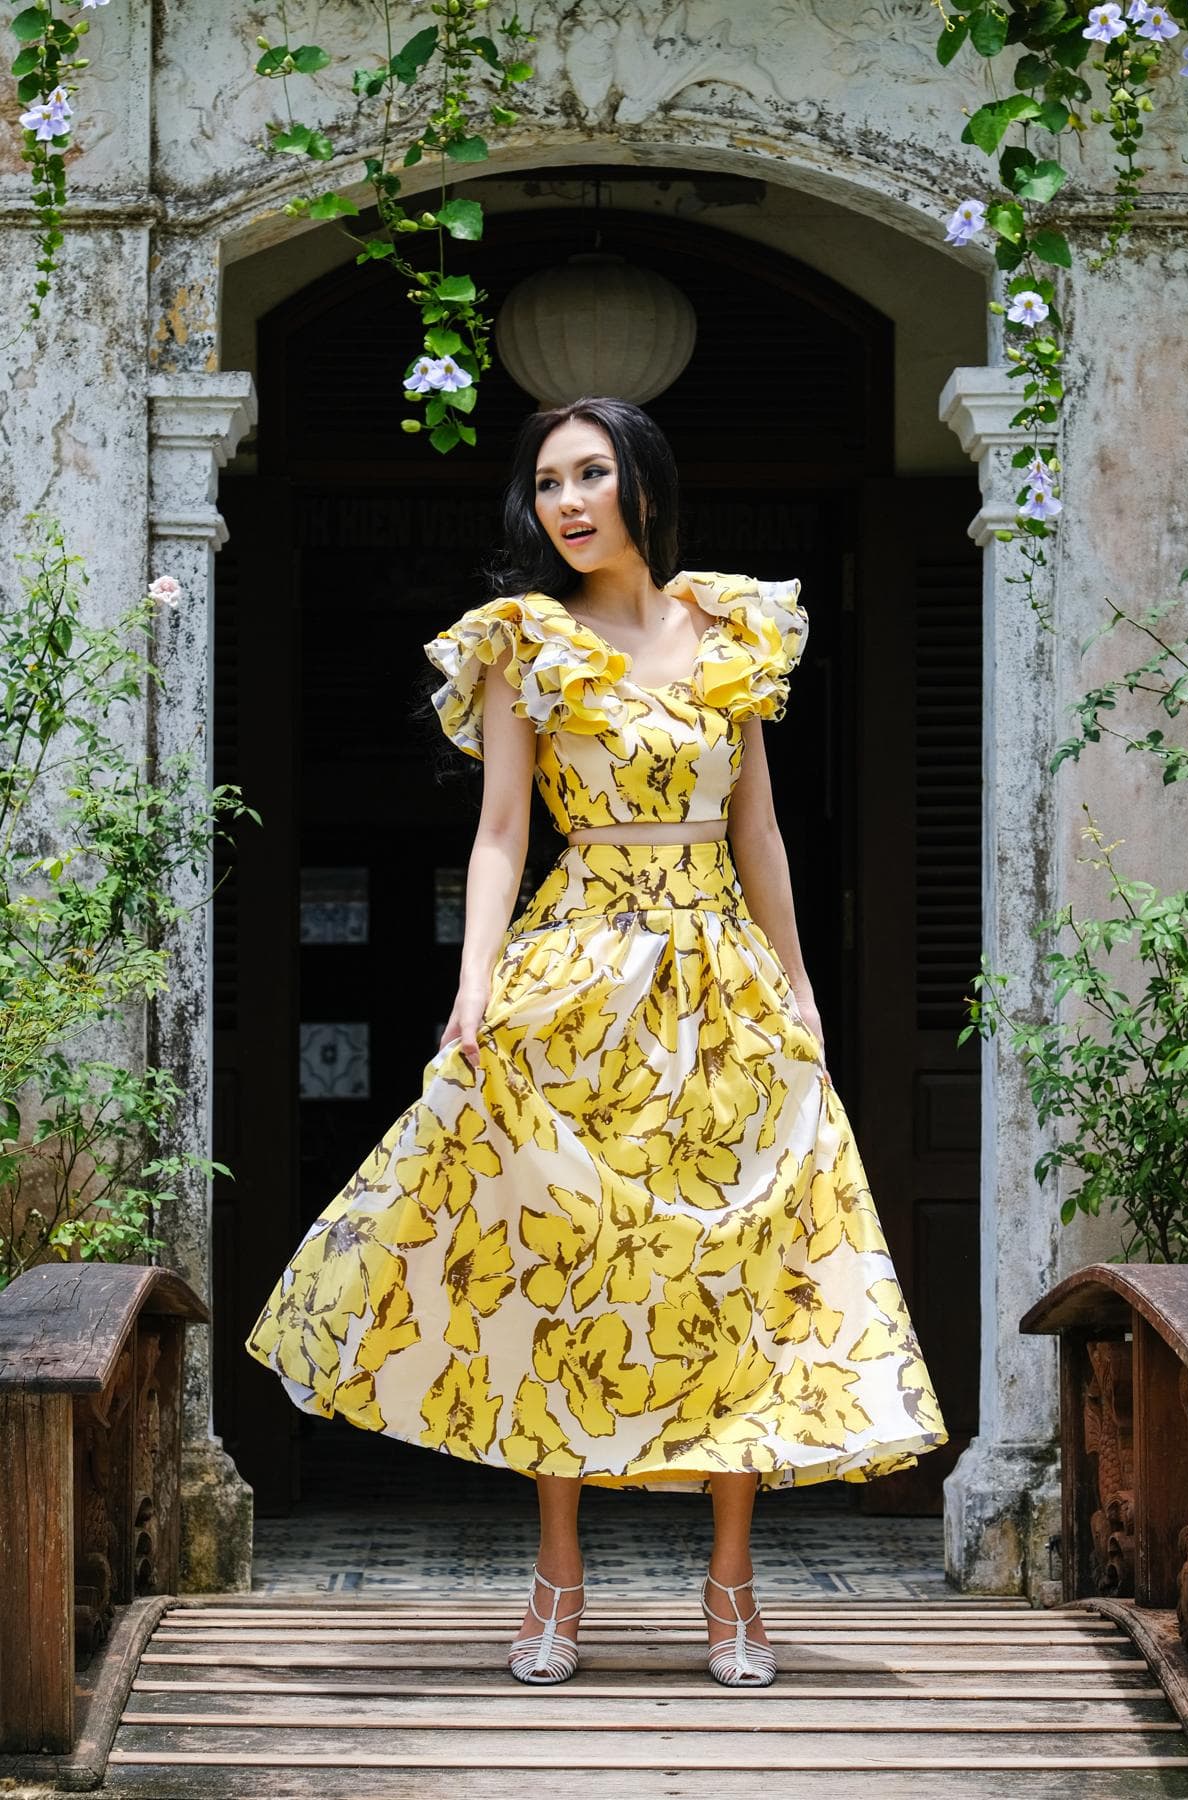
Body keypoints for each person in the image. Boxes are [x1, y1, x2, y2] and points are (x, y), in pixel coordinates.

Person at [245, 394, 947, 1690]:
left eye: (590, 475)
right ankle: (556, 1582)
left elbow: (760, 833)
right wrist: (471, 991)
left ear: (641, 486)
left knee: (736, 1264)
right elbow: (501, 832)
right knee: (563, 1269)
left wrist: (797, 989)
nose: (565, 502)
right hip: (575, 972)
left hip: (718, 979)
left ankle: (731, 1591)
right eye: (546, 482)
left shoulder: (731, 630)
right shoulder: (524, 645)